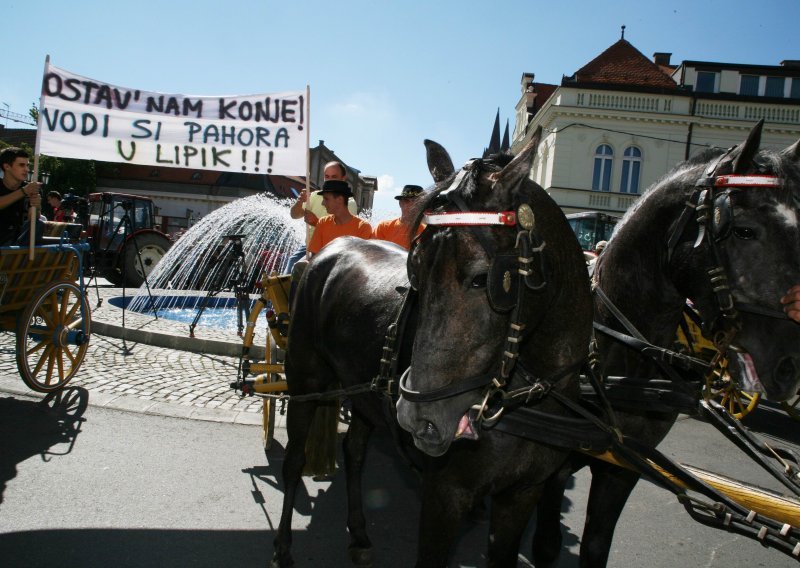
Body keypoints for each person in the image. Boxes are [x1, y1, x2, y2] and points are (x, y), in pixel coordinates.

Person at [285, 160, 358, 272]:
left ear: (343, 178)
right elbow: (294, 215)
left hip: (333, 249)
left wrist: (316, 222)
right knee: (291, 266)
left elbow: (344, 233)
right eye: (327, 176)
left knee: (297, 268)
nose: (330, 180)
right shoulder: (314, 196)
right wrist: (300, 202)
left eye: (334, 176)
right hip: (309, 247)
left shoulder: (349, 203)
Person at [306, 179, 372, 257]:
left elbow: (361, 261)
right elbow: (314, 256)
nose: (322, 203)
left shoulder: (363, 227)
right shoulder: (323, 222)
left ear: (340, 199)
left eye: (326, 199)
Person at [0, 147, 43, 245]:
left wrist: (37, 207)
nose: (27, 169)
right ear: (7, 166)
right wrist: (24, 191)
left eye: (27, 165)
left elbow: (32, 220)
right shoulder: (27, 189)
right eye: (21, 165)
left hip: (18, 241)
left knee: (38, 224)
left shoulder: (32, 188)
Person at [372, 184, 426, 250]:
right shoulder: (383, 227)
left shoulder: (427, 232)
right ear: (400, 203)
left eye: (417, 202)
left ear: (423, 206)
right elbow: (371, 254)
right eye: (407, 201)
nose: (412, 205)